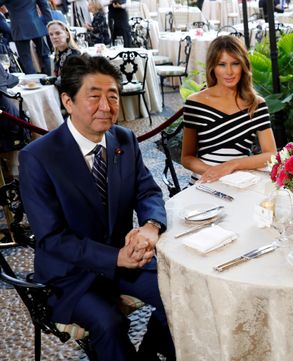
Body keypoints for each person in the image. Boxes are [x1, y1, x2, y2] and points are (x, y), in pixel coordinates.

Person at [18, 54, 176, 361]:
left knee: (179, 291)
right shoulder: (38, 157)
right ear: (68, 101)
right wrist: (114, 256)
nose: (106, 106)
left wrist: (150, 227)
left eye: (112, 96)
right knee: (109, 323)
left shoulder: (124, 139)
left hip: (126, 261)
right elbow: (52, 238)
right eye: (94, 97)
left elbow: (147, 191)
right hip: (71, 274)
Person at [181, 35, 276, 184]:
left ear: (243, 65)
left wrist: (231, 166)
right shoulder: (195, 102)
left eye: (235, 63)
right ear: (213, 66)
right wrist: (214, 172)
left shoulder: (255, 104)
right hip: (205, 181)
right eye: (222, 64)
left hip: (240, 181)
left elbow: (271, 155)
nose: (229, 72)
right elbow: (186, 158)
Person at [0, 0, 52, 75]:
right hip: (36, 25)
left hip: (19, 28)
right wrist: (50, 23)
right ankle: (49, 79)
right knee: (45, 54)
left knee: (26, 59)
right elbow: (44, 5)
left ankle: (33, 83)